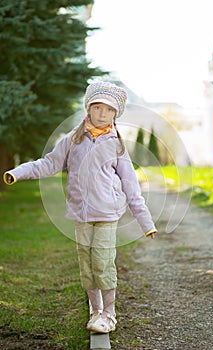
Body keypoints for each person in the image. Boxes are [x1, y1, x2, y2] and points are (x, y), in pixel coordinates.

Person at [3, 81, 157, 334]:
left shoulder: (116, 144)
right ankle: (95, 311)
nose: (102, 113)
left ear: (115, 114)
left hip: (107, 215)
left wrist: (146, 223)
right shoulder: (71, 140)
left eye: (109, 110)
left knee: (103, 264)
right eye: (97, 107)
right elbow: (47, 164)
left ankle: (109, 313)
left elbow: (131, 185)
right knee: (86, 266)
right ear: (88, 109)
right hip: (81, 215)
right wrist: (18, 173)